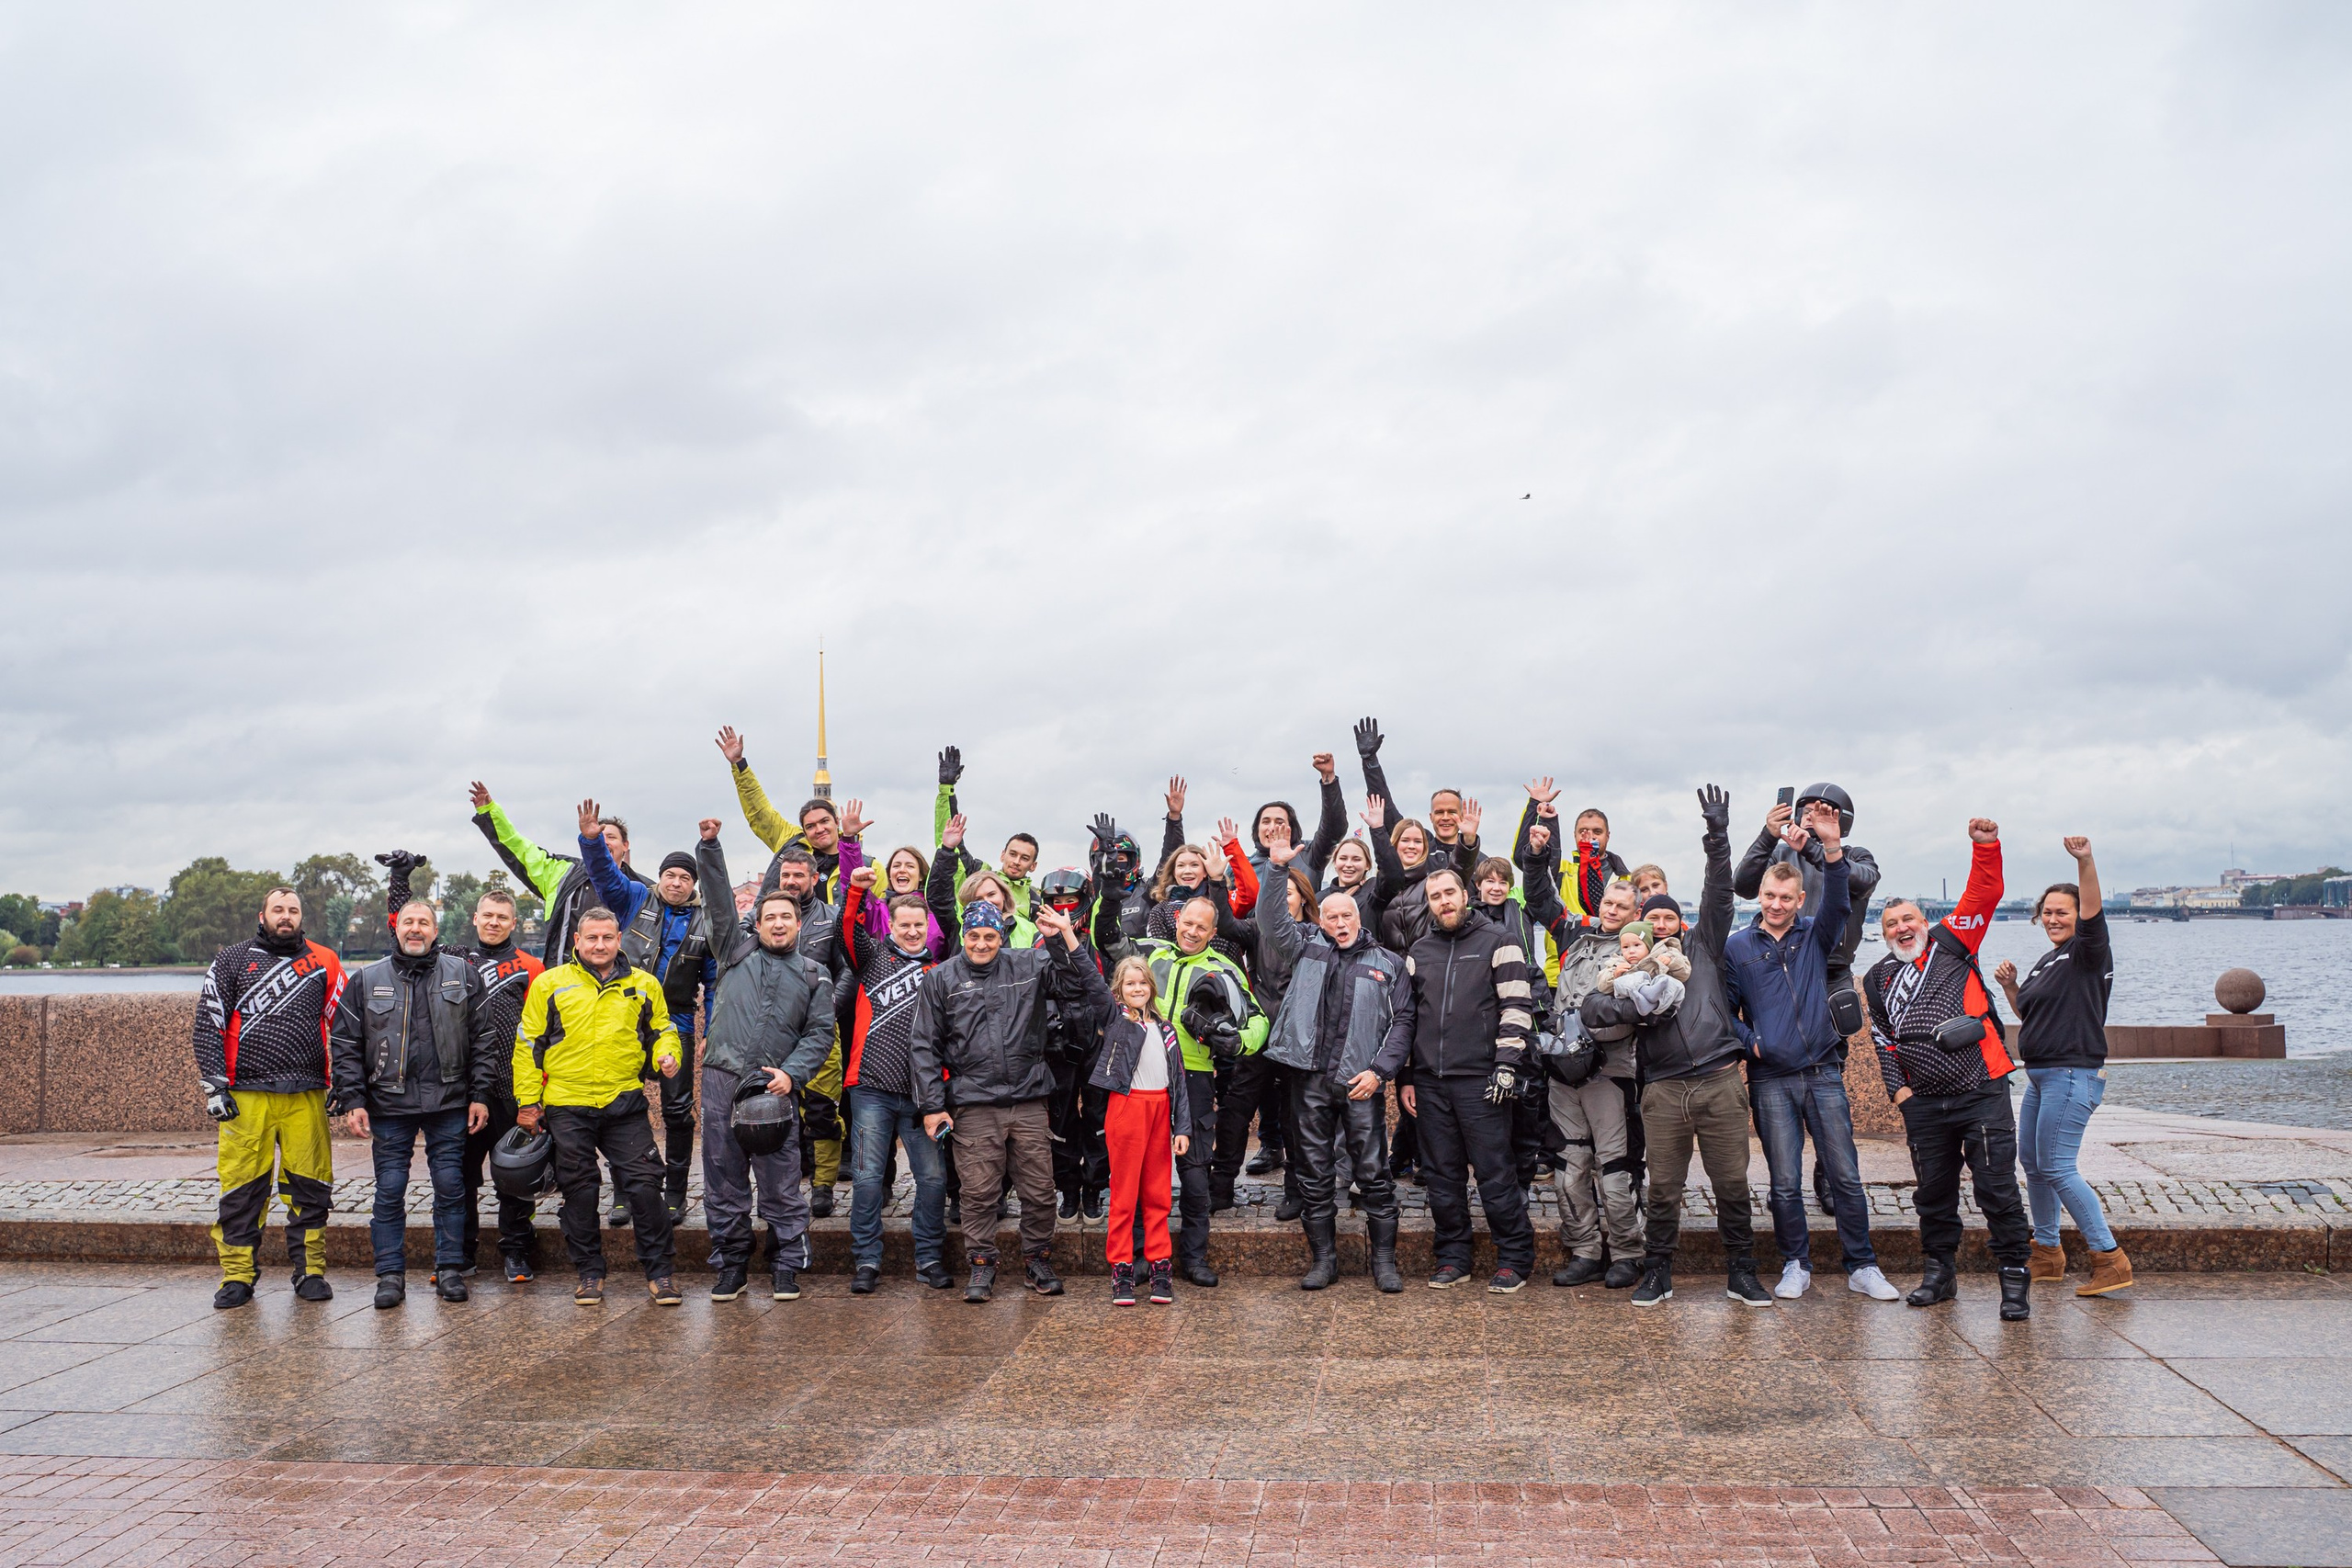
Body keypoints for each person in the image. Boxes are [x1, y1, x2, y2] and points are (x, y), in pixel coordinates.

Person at [1581, 788, 1761, 1310]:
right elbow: (1593, 1011)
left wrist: (1717, 838)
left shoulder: (1704, 944)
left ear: (1680, 922)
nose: (1661, 926)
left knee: (1731, 1182)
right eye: (1651, 920)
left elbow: (1720, 893)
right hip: (1663, 1090)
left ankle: (1742, 1272)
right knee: (1663, 1187)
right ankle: (1658, 1272)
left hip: (1720, 1080)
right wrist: (1633, 1007)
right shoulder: (1630, 969)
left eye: (1668, 918)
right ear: (1641, 925)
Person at [1723, 802, 1898, 1305]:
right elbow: (1726, 1011)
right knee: (1783, 1180)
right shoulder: (1739, 946)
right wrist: (1748, 1039)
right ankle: (1795, 1263)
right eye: (1770, 896)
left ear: (1800, 900)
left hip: (1823, 1071)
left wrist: (1831, 845)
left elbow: (1842, 899)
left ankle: (1862, 1264)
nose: (1776, 904)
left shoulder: (1817, 935)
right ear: (1760, 895)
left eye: (1786, 897)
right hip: (1771, 1078)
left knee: (1844, 1173)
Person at [1863, 819, 2034, 1320]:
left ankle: (2014, 1278)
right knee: (1932, 1194)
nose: (1902, 928)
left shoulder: (1953, 943)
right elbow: (1883, 1041)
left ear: (1924, 921)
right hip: (1923, 1103)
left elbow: (1983, 893)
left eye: (1909, 919)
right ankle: (1939, 1274)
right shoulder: (1878, 978)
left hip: (1981, 1090)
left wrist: (1985, 847)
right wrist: (1900, 1096)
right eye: (1892, 923)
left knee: (1996, 1189)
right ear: (1884, 933)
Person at [912, 899, 1094, 1303]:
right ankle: (981, 1265)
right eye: (974, 936)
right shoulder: (940, 979)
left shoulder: (1029, 965)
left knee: (1040, 1191)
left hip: (1028, 1097)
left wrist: (1060, 939)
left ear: (1002, 935)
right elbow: (924, 1046)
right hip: (973, 1102)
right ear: (963, 936)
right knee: (978, 1194)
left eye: (989, 936)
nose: (981, 944)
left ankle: (1038, 1259)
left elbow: (1073, 984)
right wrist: (931, 1106)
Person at [379, 854, 545, 1281]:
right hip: (463, 1088)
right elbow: (402, 925)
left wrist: (536, 1097)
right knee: (460, 1178)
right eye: (487, 915)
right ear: (474, 918)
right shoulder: (451, 956)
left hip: (511, 1087)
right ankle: (462, 1252)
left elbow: (544, 1037)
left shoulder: (532, 968)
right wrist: (400, 878)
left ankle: (517, 1251)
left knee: (514, 1174)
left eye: (502, 917)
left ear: (514, 922)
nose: (493, 922)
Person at [329, 895, 498, 1308]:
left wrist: (480, 1095)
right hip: (389, 1105)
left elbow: (484, 1040)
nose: (416, 929)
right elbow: (346, 1044)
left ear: (436, 931)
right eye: (409, 922)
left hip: (450, 1102)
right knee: (389, 1189)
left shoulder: (463, 975)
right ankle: (389, 1275)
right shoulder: (367, 980)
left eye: (424, 922)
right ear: (396, 928)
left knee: (450, 1187)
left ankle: (451, 1270)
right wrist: (354, 1100)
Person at [693, 822, 837, 1303]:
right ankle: (731, 1263)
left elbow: (820, 1034)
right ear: (756, 923)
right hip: (721, 1079)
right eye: (769, 916)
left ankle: (786, 1265)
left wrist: (792, 1074)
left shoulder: (815, 975)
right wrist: (710, 848)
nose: (777, 923)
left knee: (780, 1181)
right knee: (723, 1175)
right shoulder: (733, 952)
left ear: (799, 925)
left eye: (786, 918)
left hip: (775, 1085)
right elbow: (715, 903)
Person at [1257, 842, 1411, 1292]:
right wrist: (1277, 867)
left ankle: (1385, 1262)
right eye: (1331, 917)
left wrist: (1380, 1071)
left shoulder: (1387, 964)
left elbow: (1403, 1021)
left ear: (1358, 920)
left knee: (1373, 1174)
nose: (1340, 924)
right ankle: (1324, 1261)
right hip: (1309, 1081)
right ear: (1320, 920)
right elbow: (1270, 920)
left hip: (1360, 1084)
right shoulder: (1304, 948)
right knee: (1314, 1175)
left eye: (1347, 917)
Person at [513, 907, 684, 1306]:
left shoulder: (643, 984)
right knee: (581, 1191)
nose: (600, 945)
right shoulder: (550, 985)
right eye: (592, 938)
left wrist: (667, 1053)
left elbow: (664, 1029)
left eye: (607, 937)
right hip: (566, 1105)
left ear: (619, 940)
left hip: (623, 1102)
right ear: (577, 941)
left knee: (644, 1187)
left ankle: (660, 1273)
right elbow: (527, 1047)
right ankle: (589, 1273)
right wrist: (527, 1103)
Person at [1378, 864, 1536, 1293]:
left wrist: (1505, 1065)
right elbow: (1407, 1019)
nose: (1444, 901)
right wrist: (1407, 1076)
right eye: (1435, 896)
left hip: (1482, 1079)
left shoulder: (1499, 941)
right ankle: (1453, 1256)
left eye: (1450, 892)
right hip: (1429, 1081)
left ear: (1466, 895)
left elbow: (1517, 1008)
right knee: (1442, 1175)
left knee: (1495, 1173)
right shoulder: (1420, 950)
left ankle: (1515, 1257)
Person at [193, 886, 345, 1310]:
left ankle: (310, 1271)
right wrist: (214, 1086)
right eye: (278, 909)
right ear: (262, 915)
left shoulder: (325, 961)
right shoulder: (231, 959)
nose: (286, 916)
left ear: (302, 917)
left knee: (311, 1187)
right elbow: (208, 1023)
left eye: (293, 910)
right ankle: (238, 1277)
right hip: (245, 1095)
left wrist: (347, 1083)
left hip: (307, 1092)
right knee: (242, 1190)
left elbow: (348, 1025)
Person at [1734, 784, 1884, 1213]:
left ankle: (1829, 1173)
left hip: (1830, 970)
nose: (1813, 816)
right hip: (1778, 964)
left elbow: (1858, 882)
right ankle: (1784, 1176)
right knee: (1777, 1078)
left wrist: (1822, 846)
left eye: (1825, 812)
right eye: (1806, 810)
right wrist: (1769, 835)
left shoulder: (1856, 855)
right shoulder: (1781, 855)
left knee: (1829, 1073)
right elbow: (1742, 884)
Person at [1996, 836, 2132, 1298]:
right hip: (2041, 1075)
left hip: (2072, 1074)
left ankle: (2109, 1258)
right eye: (2047, 913)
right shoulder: (2049, 960)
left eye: (2063, 912)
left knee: (2057, 1166)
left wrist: (2086, 862)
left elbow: (2094, 914)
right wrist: (2013, 988)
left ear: (2079, 917)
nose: (2054, 919)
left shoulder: (2087, 951)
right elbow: (2032, 1015)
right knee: (2033, 1164)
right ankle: (2048, 1253)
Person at [1111, 896, 1270, 1284]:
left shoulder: (1224, 968)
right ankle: (1140, 1257)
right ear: (1177, 920)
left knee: (1196, 1174)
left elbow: (1259, 1020)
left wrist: (1238, 1042)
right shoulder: (1150, 951)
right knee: (1139, 1175)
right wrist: (1111, 884)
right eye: (1188, 923)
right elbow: (1106, 938)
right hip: (1142, 1076)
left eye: (1203, 927)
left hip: (1195, 1076)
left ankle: (1195, 1258)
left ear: (1213, 933)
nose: (1193, 932)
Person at [576, 798, 715, 1224]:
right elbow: (603, 875)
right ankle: (624, 1193)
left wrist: (715, 1024)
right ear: (660, 877)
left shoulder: (703, 920)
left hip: (676, 1018)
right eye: (670, 875)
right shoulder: (636, 898)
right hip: (625, 1012)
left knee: (676, 1110)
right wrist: (591, 840)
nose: (676, 882)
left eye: (685, 877)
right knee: (622, 1104)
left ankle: (674, 1193)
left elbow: (711, 978)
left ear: (693, 883)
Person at [841, 863, 956, 1292]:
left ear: (928, 927)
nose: (911, 932)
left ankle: (928, 1258)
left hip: (923, 1095)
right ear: (891, 925)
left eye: (918, 925)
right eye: (904, 925)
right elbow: (847, 933)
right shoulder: (872, 958)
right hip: (871, 1088)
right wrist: (854, 891)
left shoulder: (940, 971)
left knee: (932, 1180)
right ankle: (867, 1261)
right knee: (868, 1179)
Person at [1538, 879, 1647, 1289]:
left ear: (1635, 914)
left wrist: (1585, 1024)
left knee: (1616, 1170)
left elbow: (1635, 1010)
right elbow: (1538, 895)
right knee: (1570, 1167)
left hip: (1609, 1072)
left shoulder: (1636, 952)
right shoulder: (1578, 941)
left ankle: (1627, 1253)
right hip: (1564, 1073)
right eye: (1609, 903)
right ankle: (1585, 1249)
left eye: (1623, 906)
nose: (1613, 911)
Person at [1067, 954, 1194, 1305]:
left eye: (1142, 983)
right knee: (1124, 1195)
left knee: (1158, 1194)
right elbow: (1090, 978)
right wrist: (1065, 933)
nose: (1137, 988)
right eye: (1129, 984)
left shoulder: (1165, 1028)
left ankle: (1159, 1267)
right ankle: (1121, 1267)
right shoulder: (1116, 1020)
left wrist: (1181, 1126)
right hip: (1127, 1109)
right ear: (1119, 992)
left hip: (1160, 1110)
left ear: (1151, 987)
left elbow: (1178, 1081)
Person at [1216, 855, 1325, 1223]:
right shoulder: (1256, 930)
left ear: (1303, 900)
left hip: (1298, 1041)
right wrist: (1217, 882)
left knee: (1295, 1119)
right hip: (1259, 1036)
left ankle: (1296, 1191)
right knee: (1234, 1113)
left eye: (1288, 893)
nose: (1281, 899)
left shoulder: (1316, 936)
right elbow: (1226, 923)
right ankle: (1221, 1187)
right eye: (1276, 893)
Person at [757, 841, 854, 1217]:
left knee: (821, 1110)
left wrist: (827, 1008)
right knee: (780, 1109)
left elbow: (848, 969)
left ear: (815, 877)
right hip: (777, 1031)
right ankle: (789, 1181)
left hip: (821, 1030)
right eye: (786, 876)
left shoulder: (831, 918)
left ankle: (824, 1184)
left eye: (800, 875)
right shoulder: (765, 919)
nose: (793, 881)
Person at [468, 781, 640, 964]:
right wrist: (489, 812)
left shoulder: (642, 889)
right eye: (597, 836)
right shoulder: (560, 872)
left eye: (611, 837)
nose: (603, 843)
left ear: (625, 846)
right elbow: (518, 847)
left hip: (617, 985)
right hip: (562, 981)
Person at [1470, 853, 1558, 1192]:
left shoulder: (1520, 914)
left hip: (1527, 1010)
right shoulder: (1471, 918)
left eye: (1502, 881)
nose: (1496, 887)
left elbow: (1540, 887)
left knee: (1530, 1093)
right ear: (1477, 886)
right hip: (1487, 1013)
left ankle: (1526, 1167)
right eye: (1489, 881)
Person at [1035, 868, 1112, 1222]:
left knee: (1100, 1118)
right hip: (1058, 1042)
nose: (1064, 908)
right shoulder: (1037, 944)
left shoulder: (1100, 939)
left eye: (1071, 901)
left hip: (1099, 1037)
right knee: (1060, 1119)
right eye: (1056, 902)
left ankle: (1094, 1188)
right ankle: (1068, 1188)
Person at [715, 726, 860, 899]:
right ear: (804, 830)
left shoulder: (864, 864)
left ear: (837, 821)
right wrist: (739, 764)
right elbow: (759, 811)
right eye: (811, 826)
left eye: (824, 821)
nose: (819, 829)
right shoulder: (790, 841)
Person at [932, 744, 1042, 919]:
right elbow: (949, 836)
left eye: (1025, 858)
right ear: (1002, 855)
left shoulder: (1036, 901)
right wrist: (946, 788)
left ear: (1033, 866)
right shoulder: (978, 874)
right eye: (1012, 854)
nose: (1016, 861)